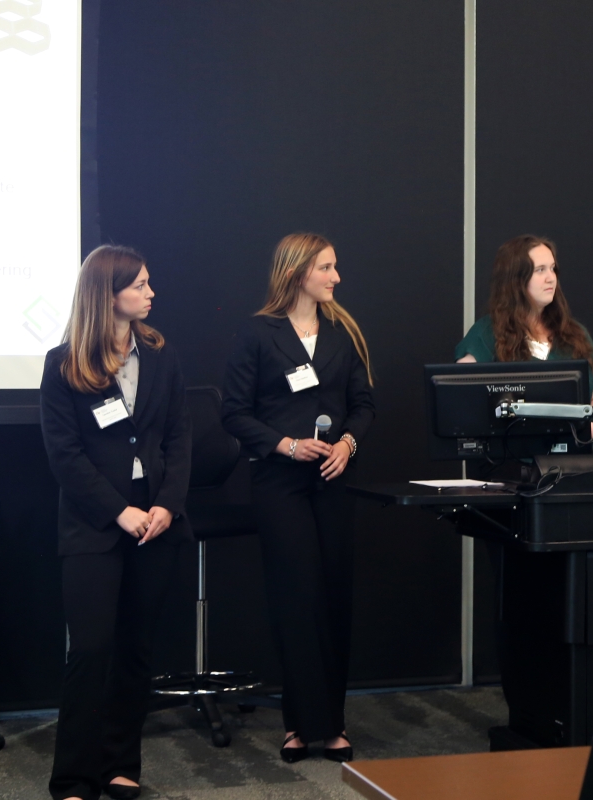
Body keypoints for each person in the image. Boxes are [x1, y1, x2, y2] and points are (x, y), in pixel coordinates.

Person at [40, 245, 192, 800]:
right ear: (108, 295)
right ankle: (74, 777)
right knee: (90, 650)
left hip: (155, 521)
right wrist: (118, 510)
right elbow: (65, 456)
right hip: (95, 525)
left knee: (135, 648)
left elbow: (179, 438)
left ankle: (120, 764)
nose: (151, 293)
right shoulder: (64, 364)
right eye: (140, 285)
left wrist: (166, 505)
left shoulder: (161, 356)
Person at [222, 232, 374, 762]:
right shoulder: (257, 333)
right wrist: (285, 444)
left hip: (331, 481)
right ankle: (298, 724)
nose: (336, 277)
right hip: (279, 484)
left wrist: (348, 444)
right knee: (297, 598)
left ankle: (332, 723)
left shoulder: (342, 332)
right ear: (296, 272)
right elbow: (234, 412)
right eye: (325, 268)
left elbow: (364, 405)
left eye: (335, 267)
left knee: (333, 597)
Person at [455, 234, 593, 420]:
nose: (551, 278)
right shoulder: (487, 333)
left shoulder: (575, 333)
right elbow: (461, 396)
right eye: (540, 270)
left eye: (552, 269)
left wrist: (590, 426)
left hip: (572, 439)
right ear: (515, 279)